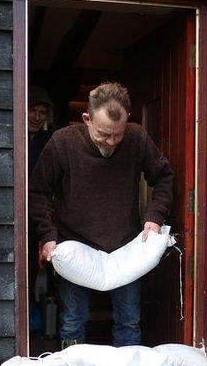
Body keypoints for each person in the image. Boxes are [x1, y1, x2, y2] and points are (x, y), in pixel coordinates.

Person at [29, 82, 174, 348]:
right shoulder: (62, 142)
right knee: (73, 321)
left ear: (127, 121)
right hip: (75, 245)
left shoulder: (137, 138)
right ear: (87, 119)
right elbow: (37, 190)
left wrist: (155, 216)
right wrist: (47, 235)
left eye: (117, 135)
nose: (111, 142)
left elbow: (164, 177)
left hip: (124, 247)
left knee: (129, 321)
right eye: (104, 134)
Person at [27, 86, 54, 333]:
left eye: (42, 112)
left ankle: (36, 312)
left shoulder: (49, 142)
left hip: (41, 211)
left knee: (39, 265)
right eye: (33, 110)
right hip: (17, 210)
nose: (37, 116)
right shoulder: (13, 135)